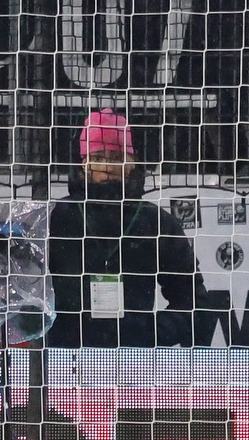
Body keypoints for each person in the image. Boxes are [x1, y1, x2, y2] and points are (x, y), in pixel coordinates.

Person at [47, 108, 206, 348]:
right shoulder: (55, 219)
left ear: (131, 163)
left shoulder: (156, 222)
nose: (108, 167)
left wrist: (154, 334)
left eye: (116, 157)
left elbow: (192, 297)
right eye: (98, 158)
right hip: (65, 358)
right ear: (83, 164)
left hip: (136, 361)